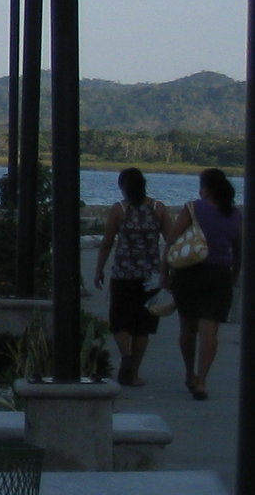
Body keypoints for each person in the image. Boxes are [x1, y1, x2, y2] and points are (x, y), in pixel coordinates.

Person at [167, 167, 240, 401]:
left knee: (188, 328)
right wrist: (234, 275)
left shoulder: (193, 208)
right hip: (219, 274)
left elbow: (173, 239)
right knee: (210, 330)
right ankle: (202, 380)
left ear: (205, 188)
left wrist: (163, 270)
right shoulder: (235, 214)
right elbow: (239, 250)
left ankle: (189, 373)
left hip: (189, 273)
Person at [92, 167, 168, 387]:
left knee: (120, 321)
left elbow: (107, 242)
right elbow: (171, 241)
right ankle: (134, 373)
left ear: (123, 187)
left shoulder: (119, 210)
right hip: (150, 276)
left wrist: (99, 270)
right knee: (143, 326)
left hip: (123, 273)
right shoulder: (158, 209)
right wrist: (167, 271)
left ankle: (125, 354)